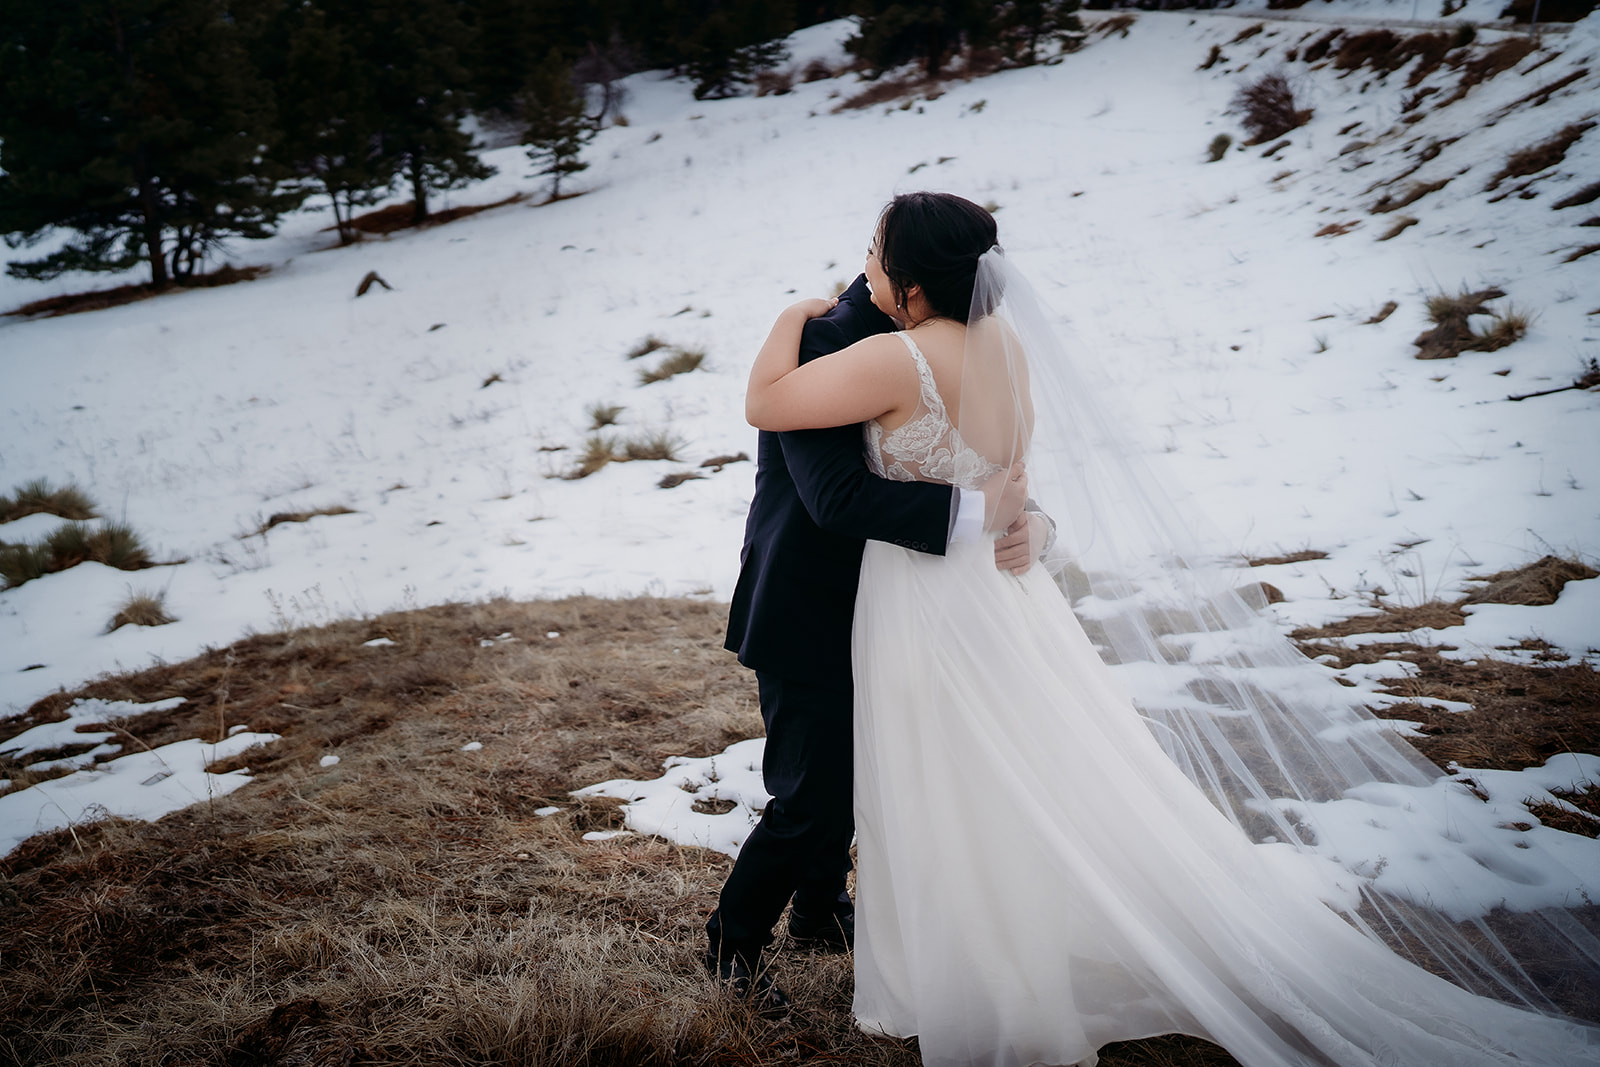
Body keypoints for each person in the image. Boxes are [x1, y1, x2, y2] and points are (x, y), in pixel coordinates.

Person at [743, 191, 1600, 1066]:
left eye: (880, 256)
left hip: (924, 603)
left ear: (916, 289)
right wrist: (1027, 524)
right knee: (1015, 771)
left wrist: (788, 316)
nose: (866, 270)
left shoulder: (895, 358)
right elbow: (1011, 478)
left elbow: (766, 404)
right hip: (1007, 599)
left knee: (942, 778)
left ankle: (971, 973)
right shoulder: (1009, 347)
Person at [712, 265, 1047, 1006]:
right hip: (811, 600)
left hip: (909, 610)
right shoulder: (827, 338)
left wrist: (1030, 521)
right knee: (814, 792)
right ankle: (733, 940)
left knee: (872, 772)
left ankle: (821, 908)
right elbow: (834, 494)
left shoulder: (961, 340)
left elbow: (990, 460)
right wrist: (974, 514)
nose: (867, 259)